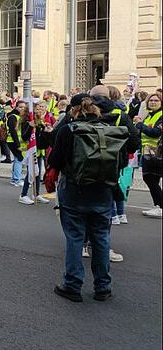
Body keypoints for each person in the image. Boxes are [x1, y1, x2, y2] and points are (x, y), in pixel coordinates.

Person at [49, 94, 124, 302]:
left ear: (74, 111)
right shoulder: (111, 131)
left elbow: (55, 160)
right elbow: (122, 161)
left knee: (75, 237)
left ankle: (72, 285)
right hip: (103, 191)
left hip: (75, 190)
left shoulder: (68, 130)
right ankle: (103, 286)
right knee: (101, 238)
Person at [135, 92, 162, 218]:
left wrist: (140, 125)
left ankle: (161, 206)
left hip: (156, 152)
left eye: (156, 100)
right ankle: (158, 206)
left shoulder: (161, 115)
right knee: (152, 178)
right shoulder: (150, 115)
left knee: (150, 178)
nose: (153, 102)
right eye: (151, 100)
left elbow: (155, 132)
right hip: (148, 151)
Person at [5, 100, 27, 186]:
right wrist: (18, 144)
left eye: (24, 107)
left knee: (18, 159)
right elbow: (13, 131)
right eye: (20, 107)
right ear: (16, 107)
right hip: (13, 141)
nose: (22, 109)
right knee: (19, 159)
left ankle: (15, 178)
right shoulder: (13, 117)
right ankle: (16, 179)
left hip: (16, 141)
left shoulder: (19, 117)